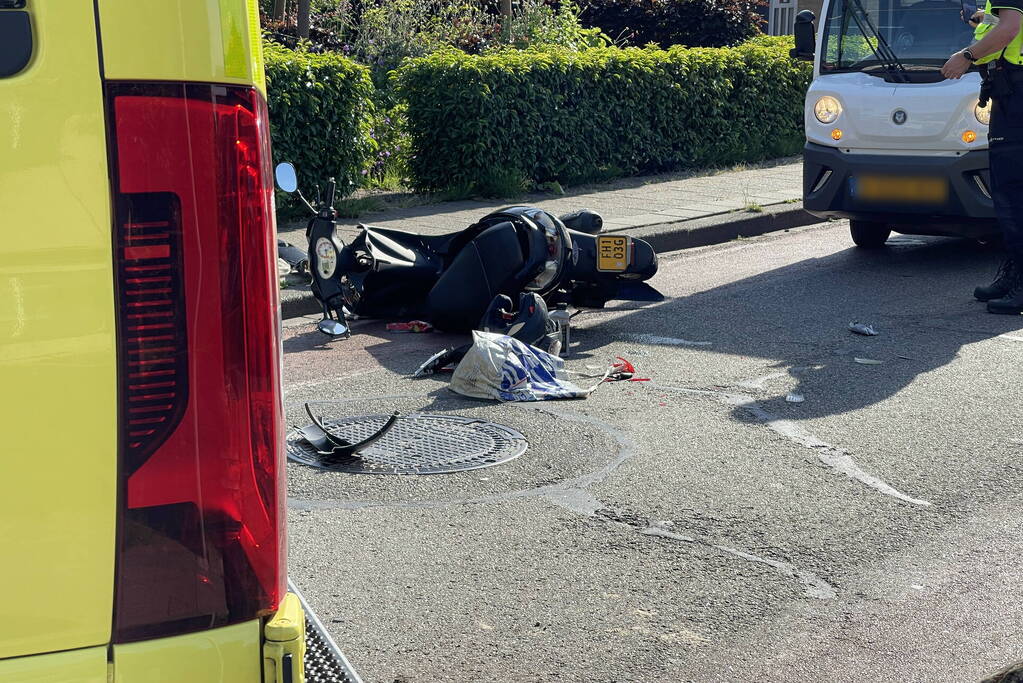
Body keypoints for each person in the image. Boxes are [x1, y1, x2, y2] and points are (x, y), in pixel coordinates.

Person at [942, 0, 1023, 314]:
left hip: (1016, 97)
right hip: (1012, 93)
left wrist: (966, 57)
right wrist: (984, 23)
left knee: (1012, 193)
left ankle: (1020, 283)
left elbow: (1010, 28)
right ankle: (1014, 273)